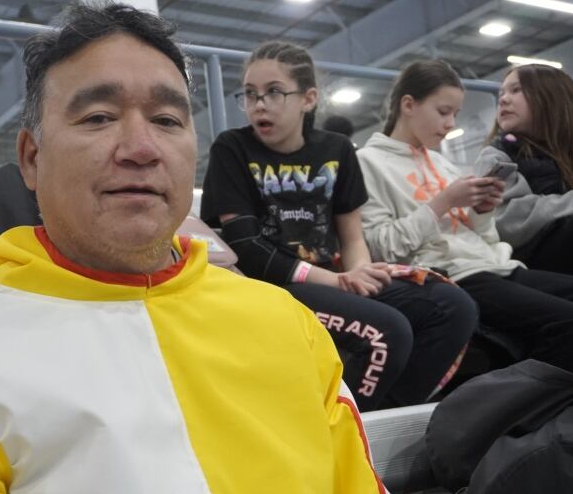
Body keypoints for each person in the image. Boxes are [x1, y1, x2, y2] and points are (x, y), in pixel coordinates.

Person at [0, 5, 407, 494]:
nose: (141, 147)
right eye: (99, 117)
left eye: (168, 120)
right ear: (32, 158)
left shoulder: (289, 326)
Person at [200, 41, 476, 411]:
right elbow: (247, 248)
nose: (258, 104)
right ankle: (344, 435)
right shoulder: (231, 148)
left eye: (273, 93)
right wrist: (335, 280)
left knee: (453, 306)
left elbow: (351, 235)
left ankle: (386, 420)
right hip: (271, 288)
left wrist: (361, 273)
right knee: (386, 332)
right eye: (249, 94)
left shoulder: (337, 149)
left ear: (308, 99)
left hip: (334, 279)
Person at [357, 59, 573, 378]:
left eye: (455, 114)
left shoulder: (444, 165)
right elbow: (384, 248)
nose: (450, 124)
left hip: (496, 265)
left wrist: (482, 211)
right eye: (443, 111)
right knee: (571, 323)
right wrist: (442, 202)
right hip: (451, 276)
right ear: (408, 105)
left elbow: (488, 239)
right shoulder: (368, 163)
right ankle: (523, 414)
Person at [474, 64, 573, 275]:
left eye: (516, 90)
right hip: (531, 256)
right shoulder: (495, 157)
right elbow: (507, 221)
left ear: (551, 97)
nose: (504, 99)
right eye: (502, 93)